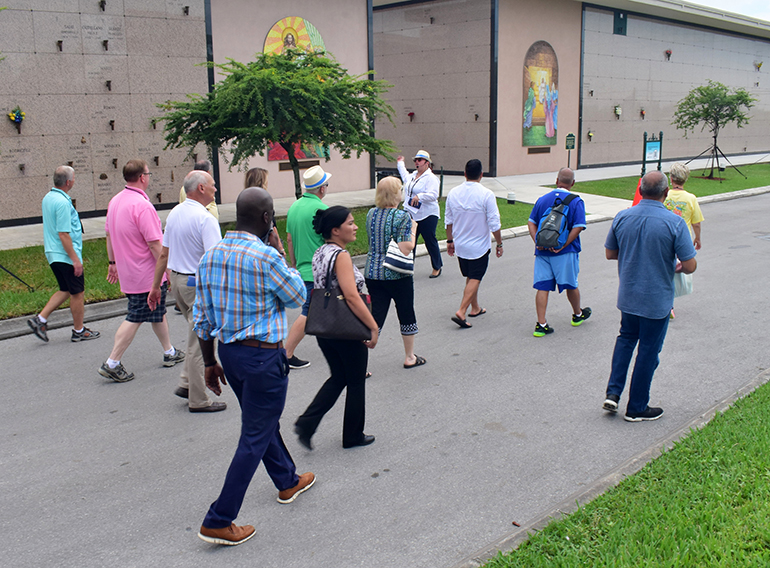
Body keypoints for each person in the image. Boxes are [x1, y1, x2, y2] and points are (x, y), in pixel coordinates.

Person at [193, 187, 314, 546]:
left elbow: (202, 318)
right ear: (266, 219)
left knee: (260, 422)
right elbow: (298, 296)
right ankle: (219, 519)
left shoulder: (210, 257)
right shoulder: (267, 257)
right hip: (262, 357)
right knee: (254, 435)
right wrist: (277, 247)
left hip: (230, 354)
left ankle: (287, 480)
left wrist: (211, 362)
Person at [603, 171, 697, 422]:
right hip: (656, 299)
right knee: (648, 351)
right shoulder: (674, 223)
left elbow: (610, 253)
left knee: (625, 340)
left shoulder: (622, 217)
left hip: (629, 294)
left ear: (641, 190)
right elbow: (689, 265)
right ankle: (636, 407)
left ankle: (613, 393)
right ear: (666, 194)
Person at [294, 206, 379, 450]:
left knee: (340, 377)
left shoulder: (321, 251)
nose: (355, 227)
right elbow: (351, 296)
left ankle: (307, 423)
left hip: (324, 325)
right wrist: (372, 327)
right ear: (335, 230)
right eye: (350, 223)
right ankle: (353, 435)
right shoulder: (340, 256)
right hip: (345, 327)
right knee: (355, 381)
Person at [97, 160, 184, 383]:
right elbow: (156, 245)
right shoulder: (142, 206)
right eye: (149, 174)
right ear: (143, 177)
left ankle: (170, 352)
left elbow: (109, 235)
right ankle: (112, 362)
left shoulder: (115, 201)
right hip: (146, 274)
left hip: (128, 271)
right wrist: (168, 271)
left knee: (157, 311)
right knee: (135, 316)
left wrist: (112, 262)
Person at [148, 170, 224, 412]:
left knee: (194, 336)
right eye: (212, 185)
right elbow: (215, 260)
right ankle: (199, 400)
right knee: (200, 342)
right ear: (201, 188)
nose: (215, 189)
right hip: (197, 285)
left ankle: (186, 383)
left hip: (177, 283)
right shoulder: (206, 219)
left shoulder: (176, 212)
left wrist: (155, 286)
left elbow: (164, 253)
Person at [27, 166, 100, 343]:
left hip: (53, 253)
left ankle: (40, 319)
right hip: (65, 254)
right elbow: (64, 234)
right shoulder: (62, 203)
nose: (74, 180)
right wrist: (75, 260)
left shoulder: (48, 198)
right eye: (74, 178)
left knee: (66, 289)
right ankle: (79, 330)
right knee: (78, 292)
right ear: (68, 182)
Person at [364, 176, 424, 368]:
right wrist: (414, 228)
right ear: (396, 194)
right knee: (405, 311)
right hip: (397, 273)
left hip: (373, 271)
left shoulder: (371, 214)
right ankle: (409, 357)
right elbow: (407, 247)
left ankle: (360, 363)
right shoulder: (403, 216)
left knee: (375, 316)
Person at [526, 167, 591, 337]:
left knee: (542, 287)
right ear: (573, 183)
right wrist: (563, 245)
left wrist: (537, 241)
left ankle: (541, 324)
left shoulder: (542, 199)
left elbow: (531, 222)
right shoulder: (576, 201)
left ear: (556, 180)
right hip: (565, 252)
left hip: (543, 252)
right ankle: (577, 314)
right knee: (571, 284)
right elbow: (578, 226)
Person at [445, 159, 503, 329]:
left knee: (471, 277)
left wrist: (450, 240)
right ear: (481, 175)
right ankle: (462, 311)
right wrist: (499, 243)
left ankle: (475, 308)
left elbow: (449, 221)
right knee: (476, 277)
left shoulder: (453, 193)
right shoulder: (486, 194)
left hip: (461, 245)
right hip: (479, 246)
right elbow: (494, 224)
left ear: (464, 174)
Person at [284, 165, 331, 370]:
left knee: (322, 310)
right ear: (321, 189)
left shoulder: (294, 207)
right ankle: (286, 353)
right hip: (319, 270)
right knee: (309, 312)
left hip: (302, 268)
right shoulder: (322, 210)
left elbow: (289, 239)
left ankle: (334, 348)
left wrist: (294, 265)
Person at [664, 162, 704, 319]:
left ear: (671, 178)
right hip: (682, 240)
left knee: (664, 270)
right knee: (676, 270)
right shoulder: (691, 198)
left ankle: (667, 304)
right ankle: (670, 303)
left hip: (665, 237)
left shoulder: (664, 195)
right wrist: (697, 238)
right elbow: (697, 223)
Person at [397, 150, 442, 278]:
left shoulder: (431, 178)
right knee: (411, 241)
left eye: (420, 160)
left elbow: (433, 195)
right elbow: (404, 176)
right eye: (415, 160)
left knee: (429, 240)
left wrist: (420, 196)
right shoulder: (413, 175)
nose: (417, 163)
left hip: (428, 214)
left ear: (427, 163)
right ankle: (408, 267)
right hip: (411, 212)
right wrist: (400, 163)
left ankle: (437, 266)